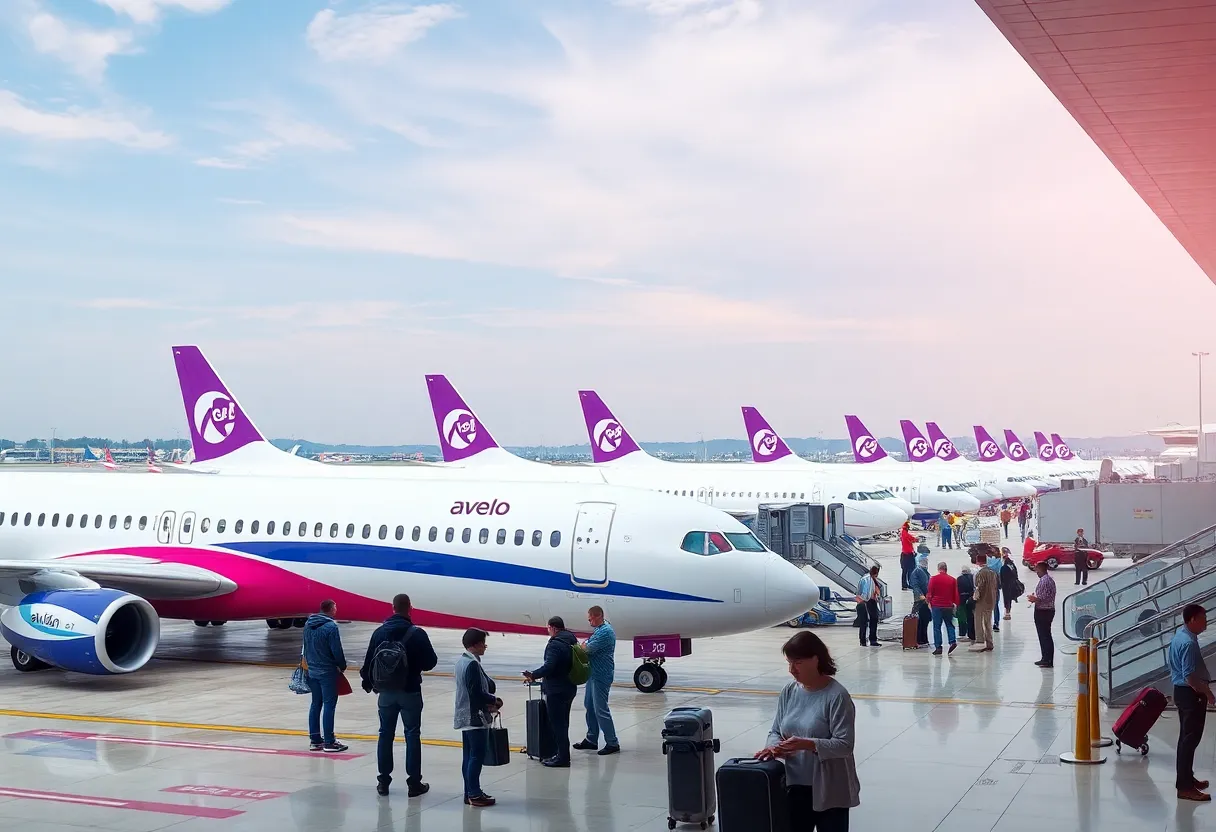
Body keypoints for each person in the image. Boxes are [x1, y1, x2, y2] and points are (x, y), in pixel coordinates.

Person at [755, 631, 860, 831]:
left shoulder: (837, 696)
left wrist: (808, 744)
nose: (792, 670)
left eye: (798, 663)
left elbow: (845, 745)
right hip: (794, 785)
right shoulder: (789, 691)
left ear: (815, 659)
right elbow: (776, 730)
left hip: (829, 789)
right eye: (789, 663)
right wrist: (773, 748)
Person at [360, 593, 439, 797]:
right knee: (412, 735)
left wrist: (370, 684)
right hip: (410, 690)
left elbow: (367, 665)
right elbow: (431, 662)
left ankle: (383, 782)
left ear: (392, 608)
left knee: (385, 734)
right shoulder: (417, 633)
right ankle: (414, 784)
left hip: (385, 693)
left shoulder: (379, 633)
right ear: (410, 608)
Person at [1168, 604, 1211, 802]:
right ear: (1192, 619)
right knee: (1189, 741)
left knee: (1186, 740)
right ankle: (1184, 787)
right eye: (1203, 618)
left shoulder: (1181, 635)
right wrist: (1208, 694)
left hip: (1182, 693)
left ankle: (1187, 778)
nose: (1206, 622)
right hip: (1189, 695)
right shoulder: (1188, 643)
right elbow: (1190, 678)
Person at [454, 627, 502, 808]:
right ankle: (474, 793)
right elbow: (476, 693)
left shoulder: (462, 661)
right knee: (476, 756)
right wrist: (493, 700)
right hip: (475, 717)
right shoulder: (472, 664)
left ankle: (470, 791)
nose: (485, 646)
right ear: (475, 644)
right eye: (483, 642)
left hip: (464, 716)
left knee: (468, 756)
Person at [523, 616, 578, 767]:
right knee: (564, 723)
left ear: (553, 628)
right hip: (570, 687)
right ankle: (562, 754)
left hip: (556, 690)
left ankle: (562, 757)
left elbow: (549, 667)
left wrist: (533, 674)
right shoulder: (572, 639)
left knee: (558, 725)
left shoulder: (555, 644)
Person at [302, 599, 349, 753]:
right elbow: (337, 650)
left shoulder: (308, 624)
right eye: (335, 606)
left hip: (312, 670)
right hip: (327, 672)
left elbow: (306, 646)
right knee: (329, 705)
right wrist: (342, 666)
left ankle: (315, 740)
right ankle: (329, 741)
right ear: (331, 609)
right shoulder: (331, 627)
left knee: (316, 704)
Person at [574, 606, 620, 755]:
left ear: (598, 616)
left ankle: (612, 742)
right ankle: (591, 739)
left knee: (601, 709)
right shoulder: (600, 629)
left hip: (601, 675)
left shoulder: (605, 632)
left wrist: (584, 645)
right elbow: (586, 643)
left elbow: (585, 649)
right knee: (589, 705)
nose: (589, 622)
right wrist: (585, 644)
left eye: (590, 619)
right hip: (592, 674)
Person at [1025, 562, 1056, 668]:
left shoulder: (1044, 581)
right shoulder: (1048, 579)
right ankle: (1046, 658)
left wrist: (1035, 599)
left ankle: (1047, 659)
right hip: (1047, 610)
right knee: (1045, 635)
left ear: (1041, 569)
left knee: (1044, 635)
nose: (1036, 572)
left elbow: (1044, 598)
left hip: (1043, 611)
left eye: (1037, 570)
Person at [926, 562, 959, 656]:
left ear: (938, 568)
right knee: (949, 624)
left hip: (936, 606)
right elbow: (955, 594)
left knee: (937, 627)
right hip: (948, 605)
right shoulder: (952, 580)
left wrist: (928, 601)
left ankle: (938, 647)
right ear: (946, 569)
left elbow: (930, 592)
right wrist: (956, 604)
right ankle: (952, 641)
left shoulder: (933, 579)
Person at [971, 557, 997, 652]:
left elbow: (979, 587)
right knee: (988, 622)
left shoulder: (981, 573)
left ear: (978, 561)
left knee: (979, 621)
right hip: (991, 600)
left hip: (982, 601)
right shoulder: (992, 572)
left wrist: (975, 597)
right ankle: (990, 642)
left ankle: (980, 641)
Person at [854, 566, 882, 649]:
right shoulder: (868, 580)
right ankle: (867, 640)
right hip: (864, 601)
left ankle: (868, 640)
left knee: (872, 619)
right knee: (865, 621)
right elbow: (865, 594)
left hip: (868, 601)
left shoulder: (869, 578)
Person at [909, 554, 932, 648]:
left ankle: (924, 639)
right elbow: (915, 585)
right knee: (919, 621)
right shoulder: (917, 572)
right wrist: (921, 595)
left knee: (925, 620)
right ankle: (919, 639)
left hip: (926, 600)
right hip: (920, 601)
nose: (926, 563)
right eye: (924, 562)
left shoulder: (925, 571)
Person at [1000, 549, 1022, 621]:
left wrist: (1000, 585)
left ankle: (1007, 613)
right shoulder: (1012, 565)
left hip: (1006, 585)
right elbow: (1016, 574)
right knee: (1009, 598)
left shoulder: (1004, 567)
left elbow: (1002, 577)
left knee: (1007, 599)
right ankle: (1008, 612)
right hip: (1012, 583)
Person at [956, 566, 975, 642]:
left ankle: (962, 634)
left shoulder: (959, 579)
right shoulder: (972, 577)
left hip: (961, 600)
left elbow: (957, 590)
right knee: (971, 617)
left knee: (962, 618)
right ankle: (972, 634)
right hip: (971, 600)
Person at [900, 521, 917, 590]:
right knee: (911, 570)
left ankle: (904, 585)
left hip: (904, 555)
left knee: (904, 571)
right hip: (908, 555)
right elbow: (913, 539)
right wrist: (916, 539)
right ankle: (911, 584)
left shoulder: (902, 534)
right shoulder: (906, 535)